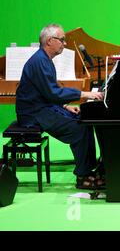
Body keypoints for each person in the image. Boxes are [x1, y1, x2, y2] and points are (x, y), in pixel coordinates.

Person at [15, 23, 106, 190]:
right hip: (34, 114)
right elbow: (53, 93)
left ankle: (90, 169)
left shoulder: (44, 59)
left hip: (42, 107)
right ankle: (83, 176)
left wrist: (65, 106)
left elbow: (47, 91)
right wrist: (85, 94)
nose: (65, 44)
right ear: (50, 41)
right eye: (62, 40)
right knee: (78, 129)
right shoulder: (40, 61)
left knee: (83, 120)